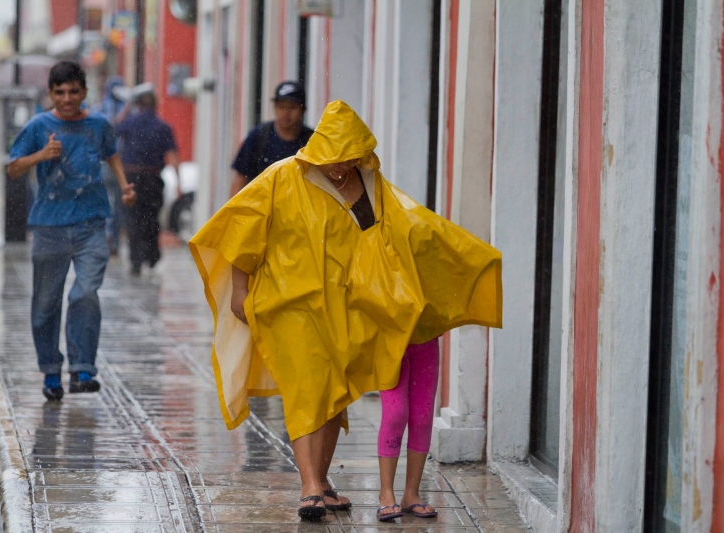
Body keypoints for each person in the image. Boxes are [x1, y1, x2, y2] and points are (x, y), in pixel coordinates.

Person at [189, 100, 503, 521]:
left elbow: (414, 229)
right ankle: (308, 487)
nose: (339, 169)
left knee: (334, 394)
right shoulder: (282, 177)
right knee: (306, 388)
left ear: (361, 154)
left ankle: (322, 483)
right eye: (331, 160)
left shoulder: (373, 185)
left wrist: (465, 259)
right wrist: (240, 290)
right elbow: (241, 229)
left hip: (346, 307)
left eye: (348, 160)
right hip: (289, 303)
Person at [7, 61, 136, 401]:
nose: (67, 98)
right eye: (60, 92)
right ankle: (51, 371)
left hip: (91, 224)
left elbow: (111, 155)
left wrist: (125, 186)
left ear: (84, 93)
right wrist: (42, 154)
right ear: (50, 93)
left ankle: (82, 368)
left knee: (85, 293)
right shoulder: (38, 126)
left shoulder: (99, 125)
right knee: (46, 304)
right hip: (49, 227)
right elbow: (13, 169)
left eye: (73, 92)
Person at [114, 91, 179, 275]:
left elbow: (114, 128)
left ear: (138, 105)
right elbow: (173, 154)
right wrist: (179, 181)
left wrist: (127, 108)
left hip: (132, 177)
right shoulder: (163, 127)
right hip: (153, 177)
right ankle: (151, 256)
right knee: (151, 217)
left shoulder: (130, 123)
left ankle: (136, 260)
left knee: (133, 218)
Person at [376, 339, 440, 521]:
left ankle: (411, 493)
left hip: (426, 334)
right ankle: (386, 493)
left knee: (423, 419)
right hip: (390, 335)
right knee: (395, 414)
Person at [229, 81, 314, 197]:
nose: (286, 113)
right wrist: (234, 213)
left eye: (293, 107)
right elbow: (240, 179)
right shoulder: (258, 136)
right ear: (275, 107)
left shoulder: (312, 141)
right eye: (281, 106)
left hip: (299, 212)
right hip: (261, 209)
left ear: (303, 110)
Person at [95, 76, 127, 255]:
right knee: (113, 203)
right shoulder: (113, 109)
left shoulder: (102, 108)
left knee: (111, 203)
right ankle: (109, 239)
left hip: (111, 162)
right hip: (112, 162)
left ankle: (110, 239)